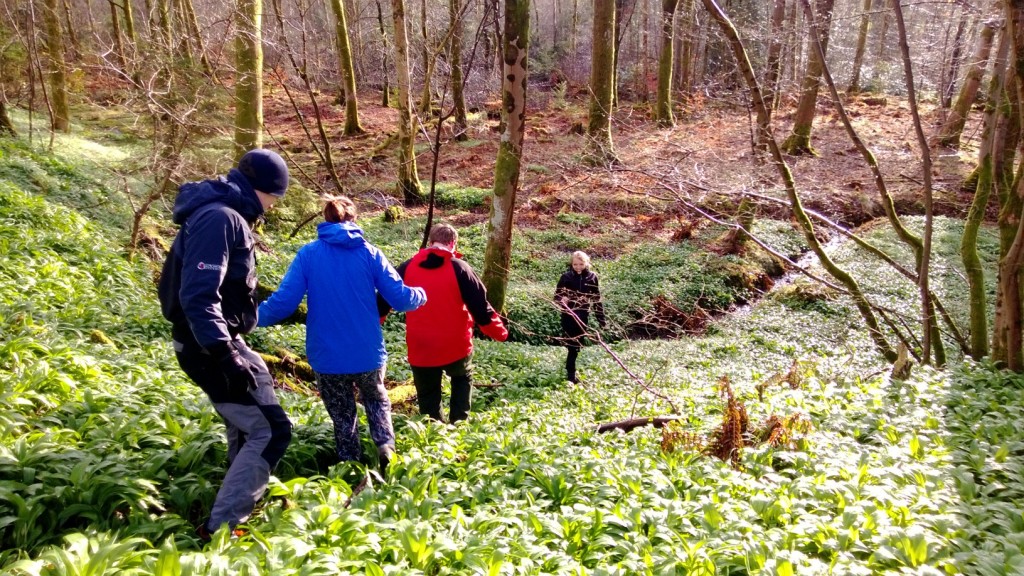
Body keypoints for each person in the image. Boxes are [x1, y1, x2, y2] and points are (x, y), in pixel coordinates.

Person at [158, 148, 294, 538]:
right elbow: (199, 295)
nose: (272, 206)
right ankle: (224, 528)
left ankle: (238, 496)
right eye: (274, 196)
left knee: (252, 414)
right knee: (273, 430)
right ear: (260, 189)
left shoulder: (226, 214)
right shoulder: (220, 218)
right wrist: (224, 352)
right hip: (208, 346)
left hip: (220, 340)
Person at [257, 196, 426, 472]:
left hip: (327, 357)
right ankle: (385, 446)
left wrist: (250, 318)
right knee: (376, 398)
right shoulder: (369, 253)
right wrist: (421, 294)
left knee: (342, 414)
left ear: (326, 220)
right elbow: (400, 299)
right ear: (354, 219)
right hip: (367, 353)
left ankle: (350, 464)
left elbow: (284, 303)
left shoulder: (309, 255)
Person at [380, 224, 508, 423]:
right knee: (462, 379)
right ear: (453, 243)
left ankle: (434, 430)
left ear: (431, 242)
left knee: (428, 395)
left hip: (421, 345)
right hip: (455, 344)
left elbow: (384, 299)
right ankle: (459, 423)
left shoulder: (407, 267)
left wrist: (375, 321)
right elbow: (481, 308)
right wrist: (500, 333)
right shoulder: (460, 268)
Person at [554, 250, 605, 383]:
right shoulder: (566, 277)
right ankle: (571, 375)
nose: (578, 267)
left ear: (586, 263)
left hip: (583, 315)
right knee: (573, 344)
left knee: (577, 345)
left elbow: (596, 300)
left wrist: (601, 320)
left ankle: (569, 368)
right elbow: (557, 295)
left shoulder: (592, 277)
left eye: (581, 264)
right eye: (575, 264)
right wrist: (562, 299)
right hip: (569, 314)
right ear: (572, 263)